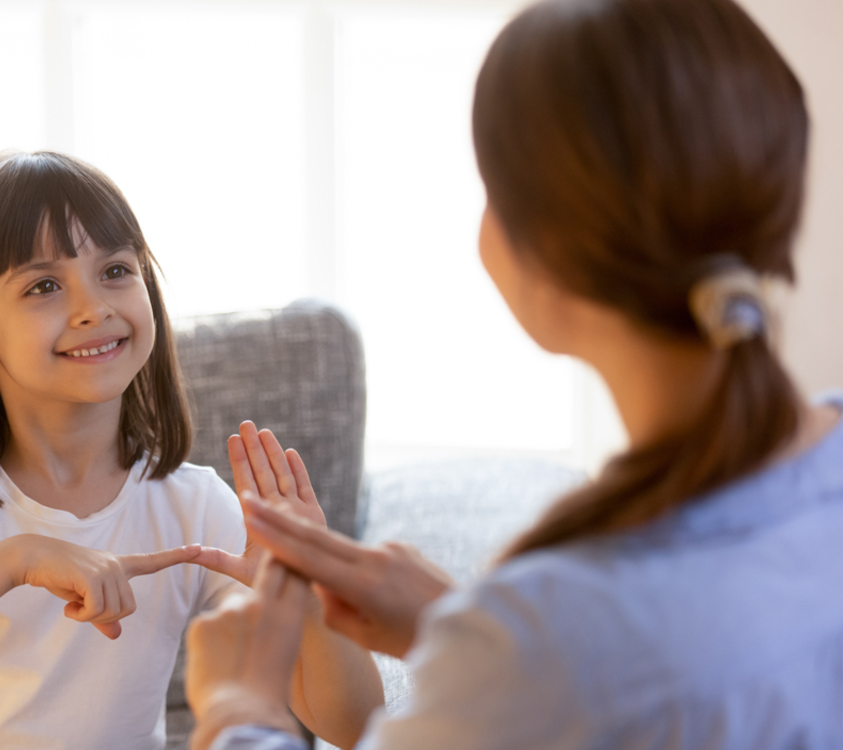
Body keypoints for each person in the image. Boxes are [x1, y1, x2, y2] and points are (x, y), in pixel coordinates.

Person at [183, 0, 843, 747]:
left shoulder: (552, 639)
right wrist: (457, 625)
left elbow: (597, 668)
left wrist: (238, 709)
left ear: (548, 259)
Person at [0, 151, 382, 750]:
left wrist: (307, 588)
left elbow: (353, 726)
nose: (94, 308)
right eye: (45, 285)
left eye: (116, 271)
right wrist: (17, 558)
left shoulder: (195, 506)